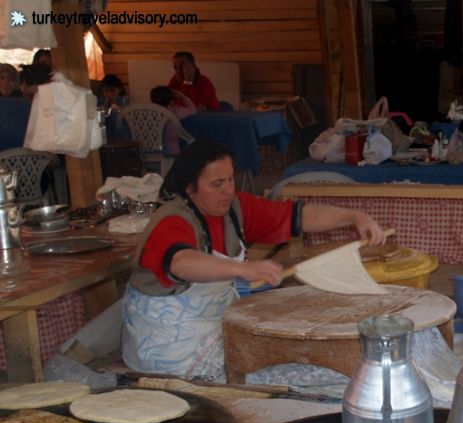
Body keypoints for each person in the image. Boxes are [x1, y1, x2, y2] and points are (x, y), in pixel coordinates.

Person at [121, 140, 386, 380]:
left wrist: (354, 217)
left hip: (211, 325)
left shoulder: (234, 209)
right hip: (167, 348)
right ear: (190, 188)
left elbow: (298, 216)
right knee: (281, 376)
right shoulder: (173, 220)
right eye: (216, 184)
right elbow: (182, 262)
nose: (227, 191)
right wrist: (243, 268)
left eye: (230, 180)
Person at [150, 85, 197, 155]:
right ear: (171, 100)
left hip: (152, 151)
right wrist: (183, 96)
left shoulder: (149, 113)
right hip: (172, 151)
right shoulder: (175, 111)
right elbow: (193, 110)